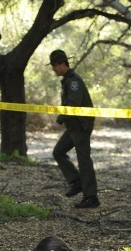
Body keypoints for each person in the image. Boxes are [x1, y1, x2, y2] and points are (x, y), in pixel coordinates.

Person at [47, 49, 100, 209]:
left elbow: (73, 104)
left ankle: (91, 197)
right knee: (58, 152)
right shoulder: (67, 80)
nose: (53, 69)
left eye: (54, 65)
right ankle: (77, 182)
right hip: (73, 127)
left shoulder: (73, 81)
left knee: (84, 161)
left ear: (62, 64)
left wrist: (59, 121)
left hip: (81, 126)